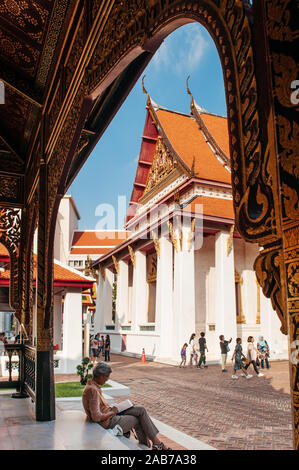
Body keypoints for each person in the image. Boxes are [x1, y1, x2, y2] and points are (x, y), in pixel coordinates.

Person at [82, 362, 171, 450]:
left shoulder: (93, 386)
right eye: (107, 377)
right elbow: (96, 417)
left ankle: (155, 444)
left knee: (141, 410)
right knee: (137, 419)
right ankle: (151, 445)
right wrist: (113, 412)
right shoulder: (92, 390)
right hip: (107, 421)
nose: (107, 380)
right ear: (101, 375)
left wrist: (114, 409)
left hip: (109, 413)